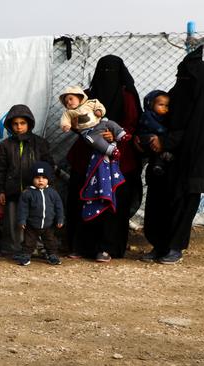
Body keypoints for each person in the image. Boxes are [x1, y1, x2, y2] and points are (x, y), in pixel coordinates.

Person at [142, 46, 204, 264]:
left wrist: (165, 141)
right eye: (179, 76)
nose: (181, 81)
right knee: (159, 203)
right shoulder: (172, 99)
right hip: (166, 164)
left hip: (192, 166)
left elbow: (195, 135)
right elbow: (156, 123)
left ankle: (175, 247)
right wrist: (150, 140)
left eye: (186, 77)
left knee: (183, 205)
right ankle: (159, 245)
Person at [66, 55, 142, 262]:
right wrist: (85, 131)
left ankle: (107, 247)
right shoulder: (87, 97)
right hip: (86, 155)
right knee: (82, 198)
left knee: (113, 202)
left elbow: (133, 123)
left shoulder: (127, 97)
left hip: (119, 157)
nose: (107, 76)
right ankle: (80, 246)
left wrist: (114, 135)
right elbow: (75, 119)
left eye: (112, 71)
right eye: (104, 71)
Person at [0, 104, 54, 256]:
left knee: (38, 219)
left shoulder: (39, 143)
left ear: (29, 124)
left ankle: (39, 248)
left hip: (36, 192)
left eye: (22, 123)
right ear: (10, 125)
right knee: (15, 221)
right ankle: (17, 249)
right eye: (15, 124)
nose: (19, 127)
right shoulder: (6, 145)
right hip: (13, 191)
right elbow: (0, 169)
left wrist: (46, 187)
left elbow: (49, 165)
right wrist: (0, 190)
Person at [59, 86, 131, 159]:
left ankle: (121, 134)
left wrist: (99, 111)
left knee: (110, 123)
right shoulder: (69, 112)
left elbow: (100, 106)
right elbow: (65, 120)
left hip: (100, 123)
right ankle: (111, 150)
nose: (69, 102)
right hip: (89, 132)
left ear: (80, 97)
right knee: (94, 140)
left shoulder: (91, 102)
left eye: (71, 99)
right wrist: (66, 126)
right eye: (66, 102)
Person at [16, 162, 64, 266]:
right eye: (37, 177)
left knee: (51, 242)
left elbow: (59, 207)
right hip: (31, 224)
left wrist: (60, 219)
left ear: (48, 179)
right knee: (28, 242)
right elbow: (22, 208)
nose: (40, 180)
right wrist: (22, 220)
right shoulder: (27, 193)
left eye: (44, 177)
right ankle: (25, 256)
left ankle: (52, 256)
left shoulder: (52, 192)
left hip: (49, 224)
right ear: (32, 179)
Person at [136, 90, 171, 175]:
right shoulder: (148, 115)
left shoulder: (162, 117)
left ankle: (158, 165)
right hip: (144, 138)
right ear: (151, 104)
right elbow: (156, 127)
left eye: (167, 106)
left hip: (152, 140)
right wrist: (166, 132)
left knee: (158, 143)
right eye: (161, 105)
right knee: (154, 138)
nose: (164, 108)